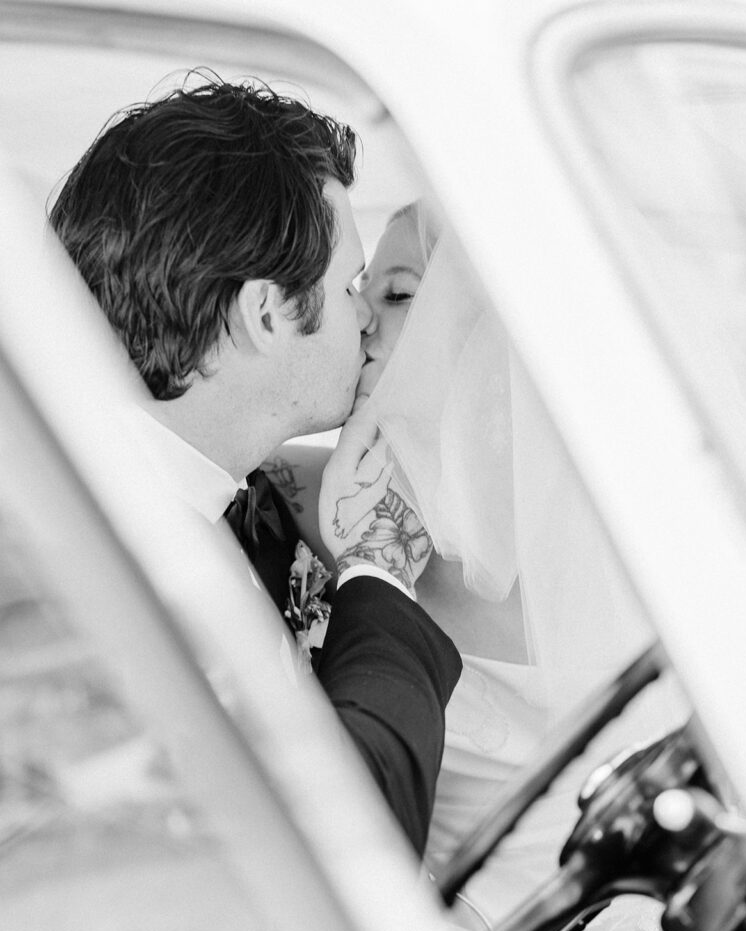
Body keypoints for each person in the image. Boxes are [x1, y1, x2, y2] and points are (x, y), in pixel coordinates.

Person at [280, 200, 746, 931]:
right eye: (361, 291)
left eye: (398, 296)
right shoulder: (635, 513)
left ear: (484, 343)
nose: (360, 321)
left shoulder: (353, 508)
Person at [47, 79, 462, 859]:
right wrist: (377, 569)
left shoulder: (170, 480)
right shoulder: (107, 560)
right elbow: (351, 849)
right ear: (265, 313)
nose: (367, 315)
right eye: (348, 286)